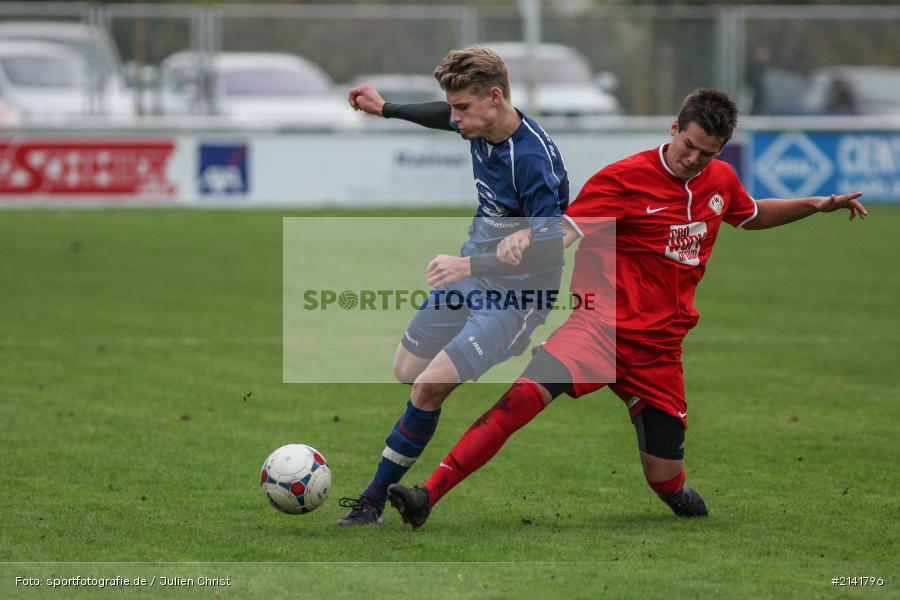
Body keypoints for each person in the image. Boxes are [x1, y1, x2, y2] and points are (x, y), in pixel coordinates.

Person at [386, 89, 867, 528]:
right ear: (674, 127)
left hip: (659, 352)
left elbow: (752, 213)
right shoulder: (622, 179)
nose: (694, 160)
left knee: (667, 484)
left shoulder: (718, 179)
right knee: (518, 403)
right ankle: (426, 495)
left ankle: (673, 488)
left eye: (708, 153)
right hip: (597, 332)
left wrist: (817, 203)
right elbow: (562, 237)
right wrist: (490, 257)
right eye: (690, 146)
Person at [336, 46, 570, 525]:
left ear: (495, 97)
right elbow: (440, 115)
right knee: (407, 370)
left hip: (516, 297)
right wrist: (386, 109)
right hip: (473, 274)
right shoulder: (479, 123)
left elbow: (550, 248)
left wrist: (470, 266)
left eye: (462, 108)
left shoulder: (530, 160)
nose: (455, 118)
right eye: (454, 108)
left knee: (427, 388)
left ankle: (370, 502)